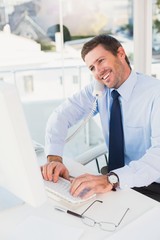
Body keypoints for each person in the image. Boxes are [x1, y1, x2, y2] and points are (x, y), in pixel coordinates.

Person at [41, 34, 160, 202]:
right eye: (91, 68)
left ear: (120, 53)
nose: (98, 71)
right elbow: (61, 116)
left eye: (101, 61)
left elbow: (158, 156)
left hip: (152, 183)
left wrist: (112, 179)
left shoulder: (155, 94)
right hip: (115, 181)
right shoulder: (98, 91)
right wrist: (54, 158)